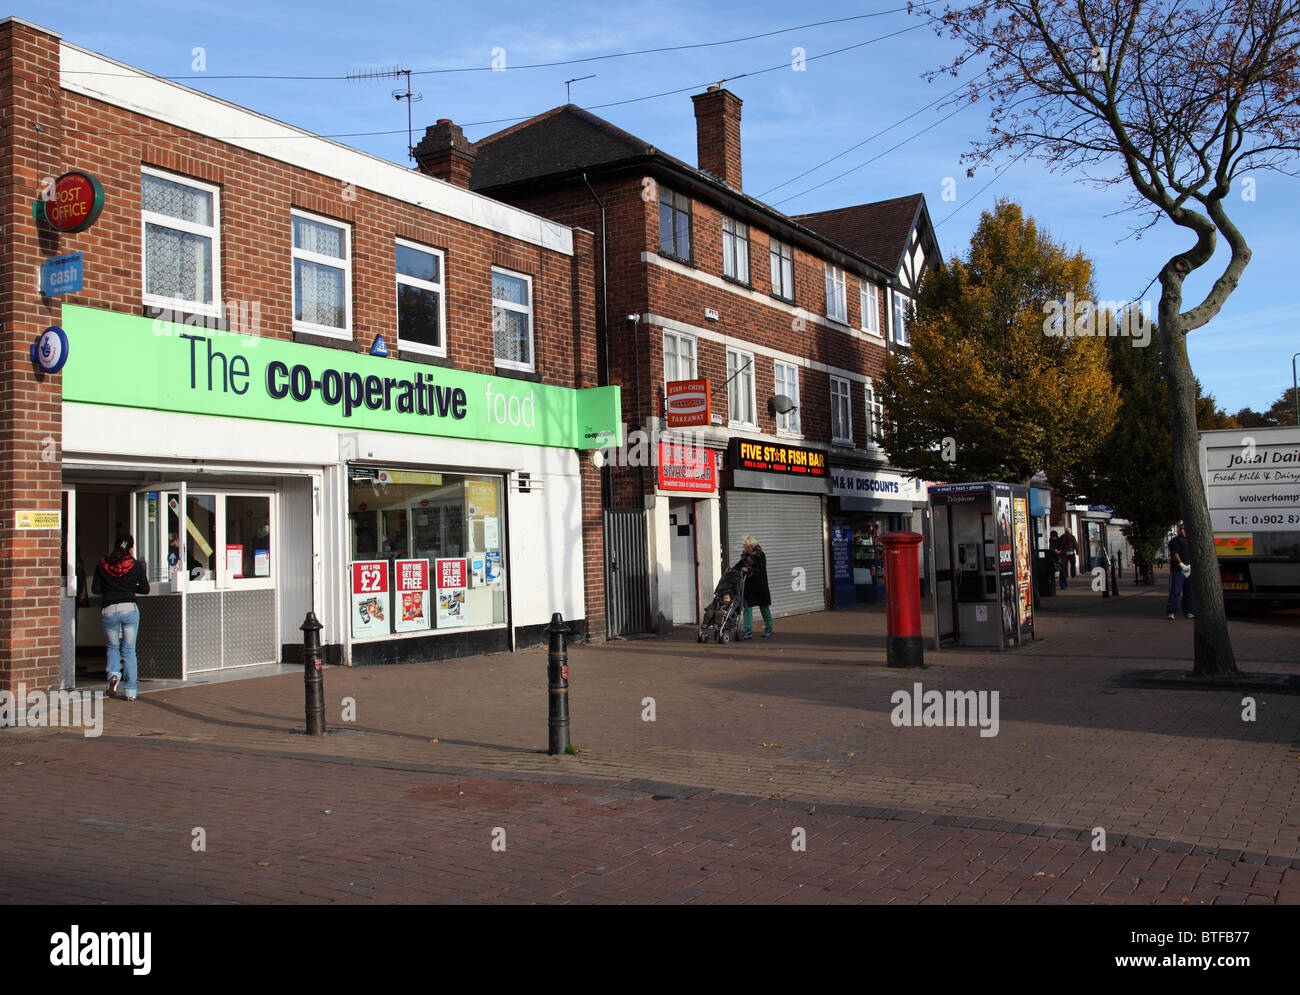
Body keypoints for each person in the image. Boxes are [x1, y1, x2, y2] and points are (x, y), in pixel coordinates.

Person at [92, 534, 150, 701]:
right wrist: (129, 588)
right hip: (129, 609)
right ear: (130, 548)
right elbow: (145, 589)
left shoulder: (103, 563)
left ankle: (113, 674)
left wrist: (112, 588)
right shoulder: (136, 565)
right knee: (129, 650)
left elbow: (95, 589)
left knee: (112, 647)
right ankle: (131, 691)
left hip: (109, 609)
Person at [734, 534, 772, 640]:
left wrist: (749, 570)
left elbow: (760, 570)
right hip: (749, 587)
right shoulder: (745, 556)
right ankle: (748, 630)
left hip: (760, 586)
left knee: (764, 607)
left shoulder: (761, 555)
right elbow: (738, 565)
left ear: (750, 546)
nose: (743, 548)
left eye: (744, 545)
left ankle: (768, 628)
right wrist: (731, 569)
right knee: (747, 607)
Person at [1167, 522, 1194, 620]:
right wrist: (1181, 564)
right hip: (1178, 570)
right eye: (1180, 529)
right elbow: (1175, 553)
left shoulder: (1191, 540)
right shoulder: (1175, 541)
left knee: (1189, 592)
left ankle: (1189, 611)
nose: (1182, 530)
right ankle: (1171, 611)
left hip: (1190, 569)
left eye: (1184, 529)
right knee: (1175, 591)